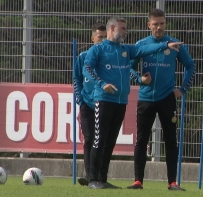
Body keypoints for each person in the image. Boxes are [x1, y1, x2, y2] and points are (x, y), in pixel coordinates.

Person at [83, 17, 183, 189]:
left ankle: (102, 178)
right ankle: (93, 179)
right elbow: (88, 68)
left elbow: (143, 49)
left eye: (126, 29)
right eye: (123, 28)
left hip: (121, 101)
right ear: (112, 28)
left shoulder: (125, 50)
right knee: (99, 140)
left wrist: (165, 45)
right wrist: (102, 84)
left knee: (110, 141)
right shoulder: (98, 49)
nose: (125, 32)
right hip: (104, 99)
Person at [127, 9, 196, 191]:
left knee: (171, 140)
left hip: (167, 98)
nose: (159, 27)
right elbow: (129, 67)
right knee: (142, 140)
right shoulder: (141, 45)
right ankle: (138, 181)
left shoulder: (175, 45)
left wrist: (182, 89)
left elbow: (190, 65)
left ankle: (172, 182)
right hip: (146, 98)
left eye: (162, 23)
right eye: (155, 24)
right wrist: (139, 79)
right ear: (148, 25)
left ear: (166, 24)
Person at [73, 23, 106, 186]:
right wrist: (80, 98)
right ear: (92, 38)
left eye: (105, 37)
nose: (102, 40)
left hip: (105, 104)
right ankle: (88, 174)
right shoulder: (83, 56)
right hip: (87, 104)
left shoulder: (109, 58)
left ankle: (100, 174)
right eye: (100, 37)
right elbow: (77, 79)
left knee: (101, 140)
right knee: (89, 138)